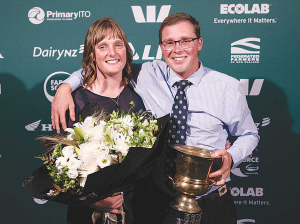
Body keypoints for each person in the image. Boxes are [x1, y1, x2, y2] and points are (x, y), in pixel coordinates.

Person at [52, 13, 259, 224]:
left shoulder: (227, 87)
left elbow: (250, 134)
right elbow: (106, 63)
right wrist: (66, 85)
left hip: (210, 201)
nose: (177, 49)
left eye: (185, 41)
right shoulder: (147, 74)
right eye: (169, 42)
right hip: (157, 204)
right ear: (161, 47)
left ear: (199, 43)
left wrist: (231, 156)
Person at [61, 17, 146, 224]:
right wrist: (92, 200)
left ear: (126, 50)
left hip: (137, 208)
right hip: (87, 214)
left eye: (118, 45)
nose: (112, 53)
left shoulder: (141, 93)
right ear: (91, 55)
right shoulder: (73, 101)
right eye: (102, 46)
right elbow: (61, 167)